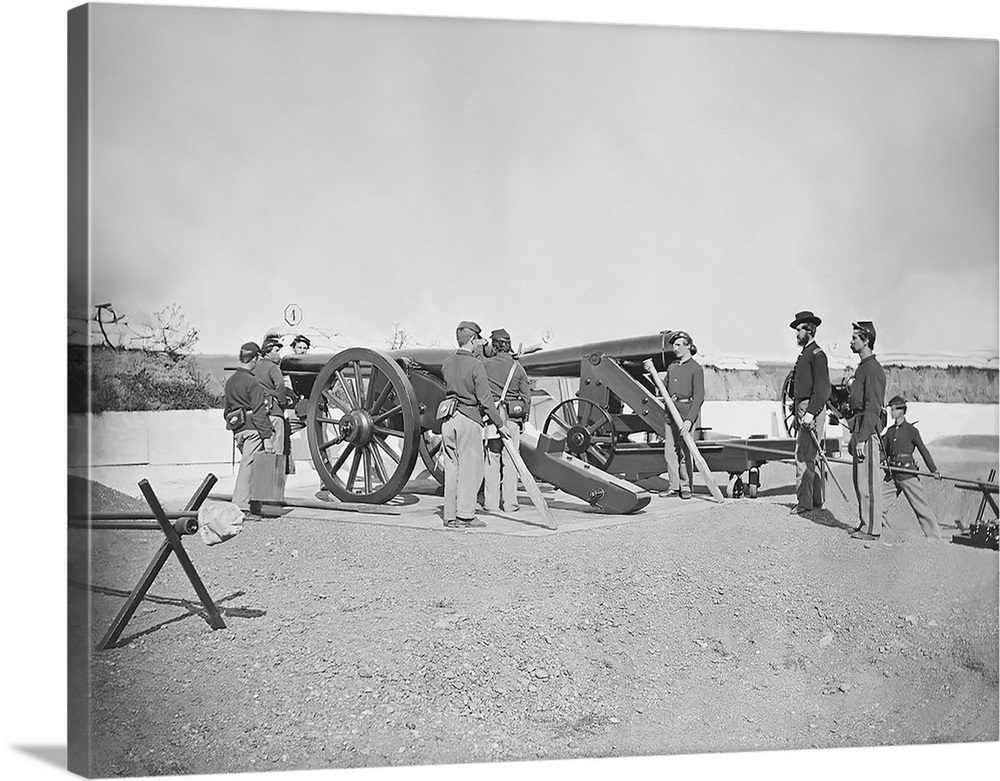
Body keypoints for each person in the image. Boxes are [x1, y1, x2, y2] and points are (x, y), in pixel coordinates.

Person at [440, 321, 508, 528]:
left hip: (448, 419)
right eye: (478, 339)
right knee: (471, 469)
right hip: (468, 419)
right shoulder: (476, 365)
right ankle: (465, 516)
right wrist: (500, 424)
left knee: (451, 469)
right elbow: (486, 401)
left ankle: (450, 515)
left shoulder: (447, 363)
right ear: (472, 339)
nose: (480, 343)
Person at [880, 395, 944, 539]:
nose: (891, 412)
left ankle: (935, 539)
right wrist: (871, 462)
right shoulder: (890, 431)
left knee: (921, 507)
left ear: (901, 410)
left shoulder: (911, 431)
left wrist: (934, 470)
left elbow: (923, 451)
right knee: (877, 504)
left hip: (907, 474)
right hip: (892, 475)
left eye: (893, 409)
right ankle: (887, 533)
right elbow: (884, 453)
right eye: (891, 409)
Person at [483, 328, 532, 513]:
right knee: (511, 461)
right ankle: (510, 504)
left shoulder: (485, 365)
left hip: (492, 419)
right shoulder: (518, 368)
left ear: (495, 346)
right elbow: (526, 398)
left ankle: (491, 504)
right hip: (512, 420)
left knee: (492, 459)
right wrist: (523, 421)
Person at [788, 311, 832, 516]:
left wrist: (810, 413)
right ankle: (815, 500)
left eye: (799, 330)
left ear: (810, 330)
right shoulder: (806, 353)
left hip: (810, 408)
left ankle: (804, 503)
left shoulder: (817, 354)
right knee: (810, 454)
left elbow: (823, 388)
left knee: (804, 456)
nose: (796, 334)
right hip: (803, 407)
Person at [847, 321, 887, 540]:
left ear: (866, 340)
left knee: (869, 483)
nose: (851, 341)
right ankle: (865, 524)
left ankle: (873, 529)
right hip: (860, 429)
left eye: (855, 337)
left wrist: (862, 438)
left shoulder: (872, 369)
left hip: (868, 432)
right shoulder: (863, 367)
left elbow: (873, 408)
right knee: (860, 482)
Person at [223, 342, 274, 510]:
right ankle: (241, 506)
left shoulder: (231, 381)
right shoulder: (253, 382)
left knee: (254, 468)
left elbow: (226, 411)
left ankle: (255, 507)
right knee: (249, 468)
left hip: (238, 430)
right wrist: (267, 437)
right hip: (253, 430)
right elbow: (260, 411)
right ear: (255, 358)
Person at [660, 330, 704, 499]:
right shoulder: (672, 367)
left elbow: (699, 397)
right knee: (670, 452)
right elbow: (664, 388)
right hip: (670, 414)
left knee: (685, 452)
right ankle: (674, 486)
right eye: (674, 345)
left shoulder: (696, 369)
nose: (675, 348)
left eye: (678, 345)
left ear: (688, 346)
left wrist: (689, 421)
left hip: (685, 415)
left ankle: (686, 487)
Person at [253, 337, 291, 474]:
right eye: (276, 351)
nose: (278, 354)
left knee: (261, 451)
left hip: (259, 413)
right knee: (277, 451)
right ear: (267, 352)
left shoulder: (254, 368)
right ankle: (274, 480)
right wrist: (283, 402)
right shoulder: (273, 367)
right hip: (274, 411)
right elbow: (280, 386)